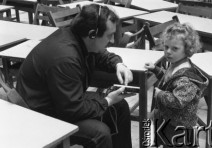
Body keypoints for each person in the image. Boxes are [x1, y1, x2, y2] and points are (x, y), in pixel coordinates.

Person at [16, 4, 133, 148]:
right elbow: (73, 110)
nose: (111, 41)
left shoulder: (78, 37)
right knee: (100, 133)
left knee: (119, 107)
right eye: (109, 36)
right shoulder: (66, 58)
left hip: (61, 102)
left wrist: (117, 64)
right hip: (41, 115)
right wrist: (107, 100)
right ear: (92, 34)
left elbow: (99, 53)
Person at [145, 23, 208, 148]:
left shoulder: (187, 79)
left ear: (187, 49)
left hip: (180, 127)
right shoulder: (175, 64)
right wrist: (156, 70)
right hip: (168, 120)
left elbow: (178, 101)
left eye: (175, 48)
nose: (168, 52)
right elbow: (169, 80)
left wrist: (160, 94)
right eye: (166, 46)